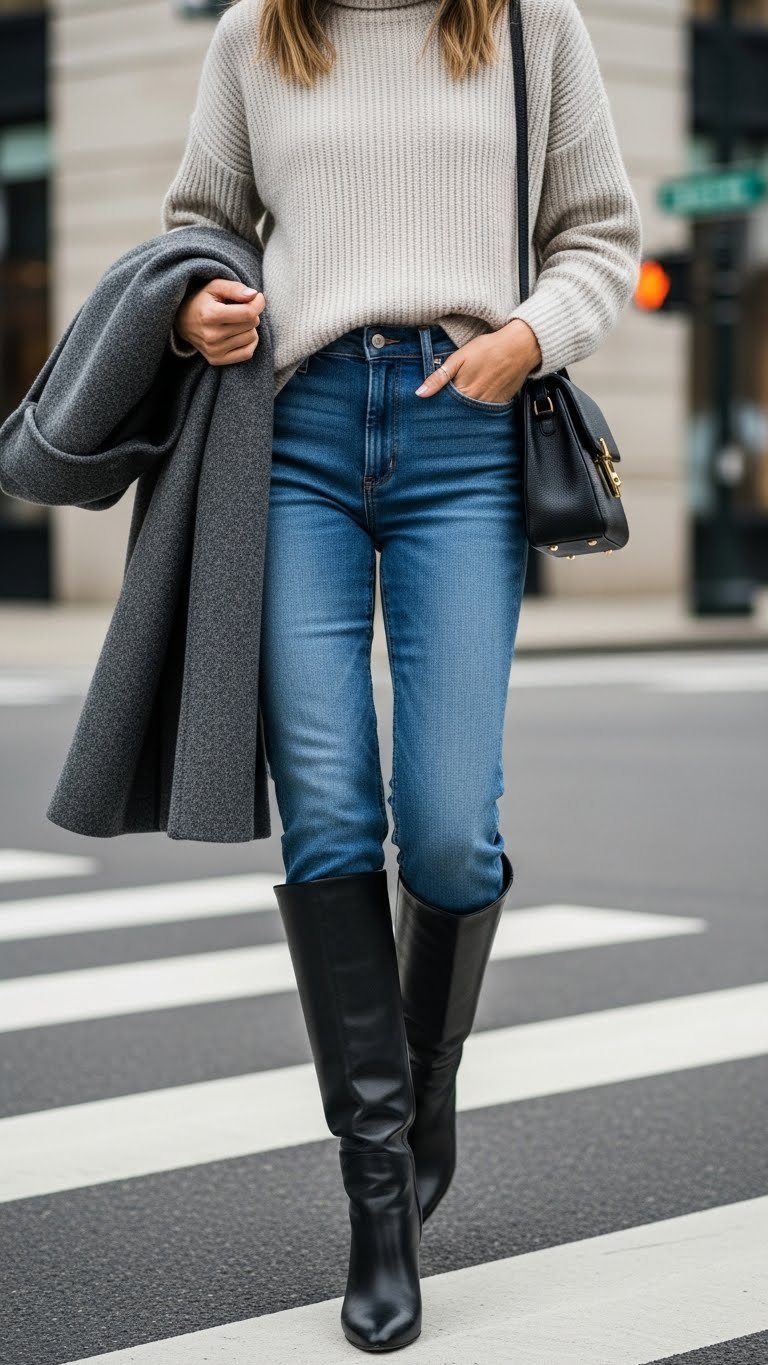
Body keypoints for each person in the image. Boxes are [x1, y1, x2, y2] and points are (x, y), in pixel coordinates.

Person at [161, 0, 642, 1350]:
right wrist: (202, 299)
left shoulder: (529, 25)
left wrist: (528, 335)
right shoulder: (255, 39)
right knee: (325, 805)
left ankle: (422, 1091)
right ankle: (379, 1192)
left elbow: (598, 235)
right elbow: (196, 225)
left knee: (447, 827)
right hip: (297, 432)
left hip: (462, 430)